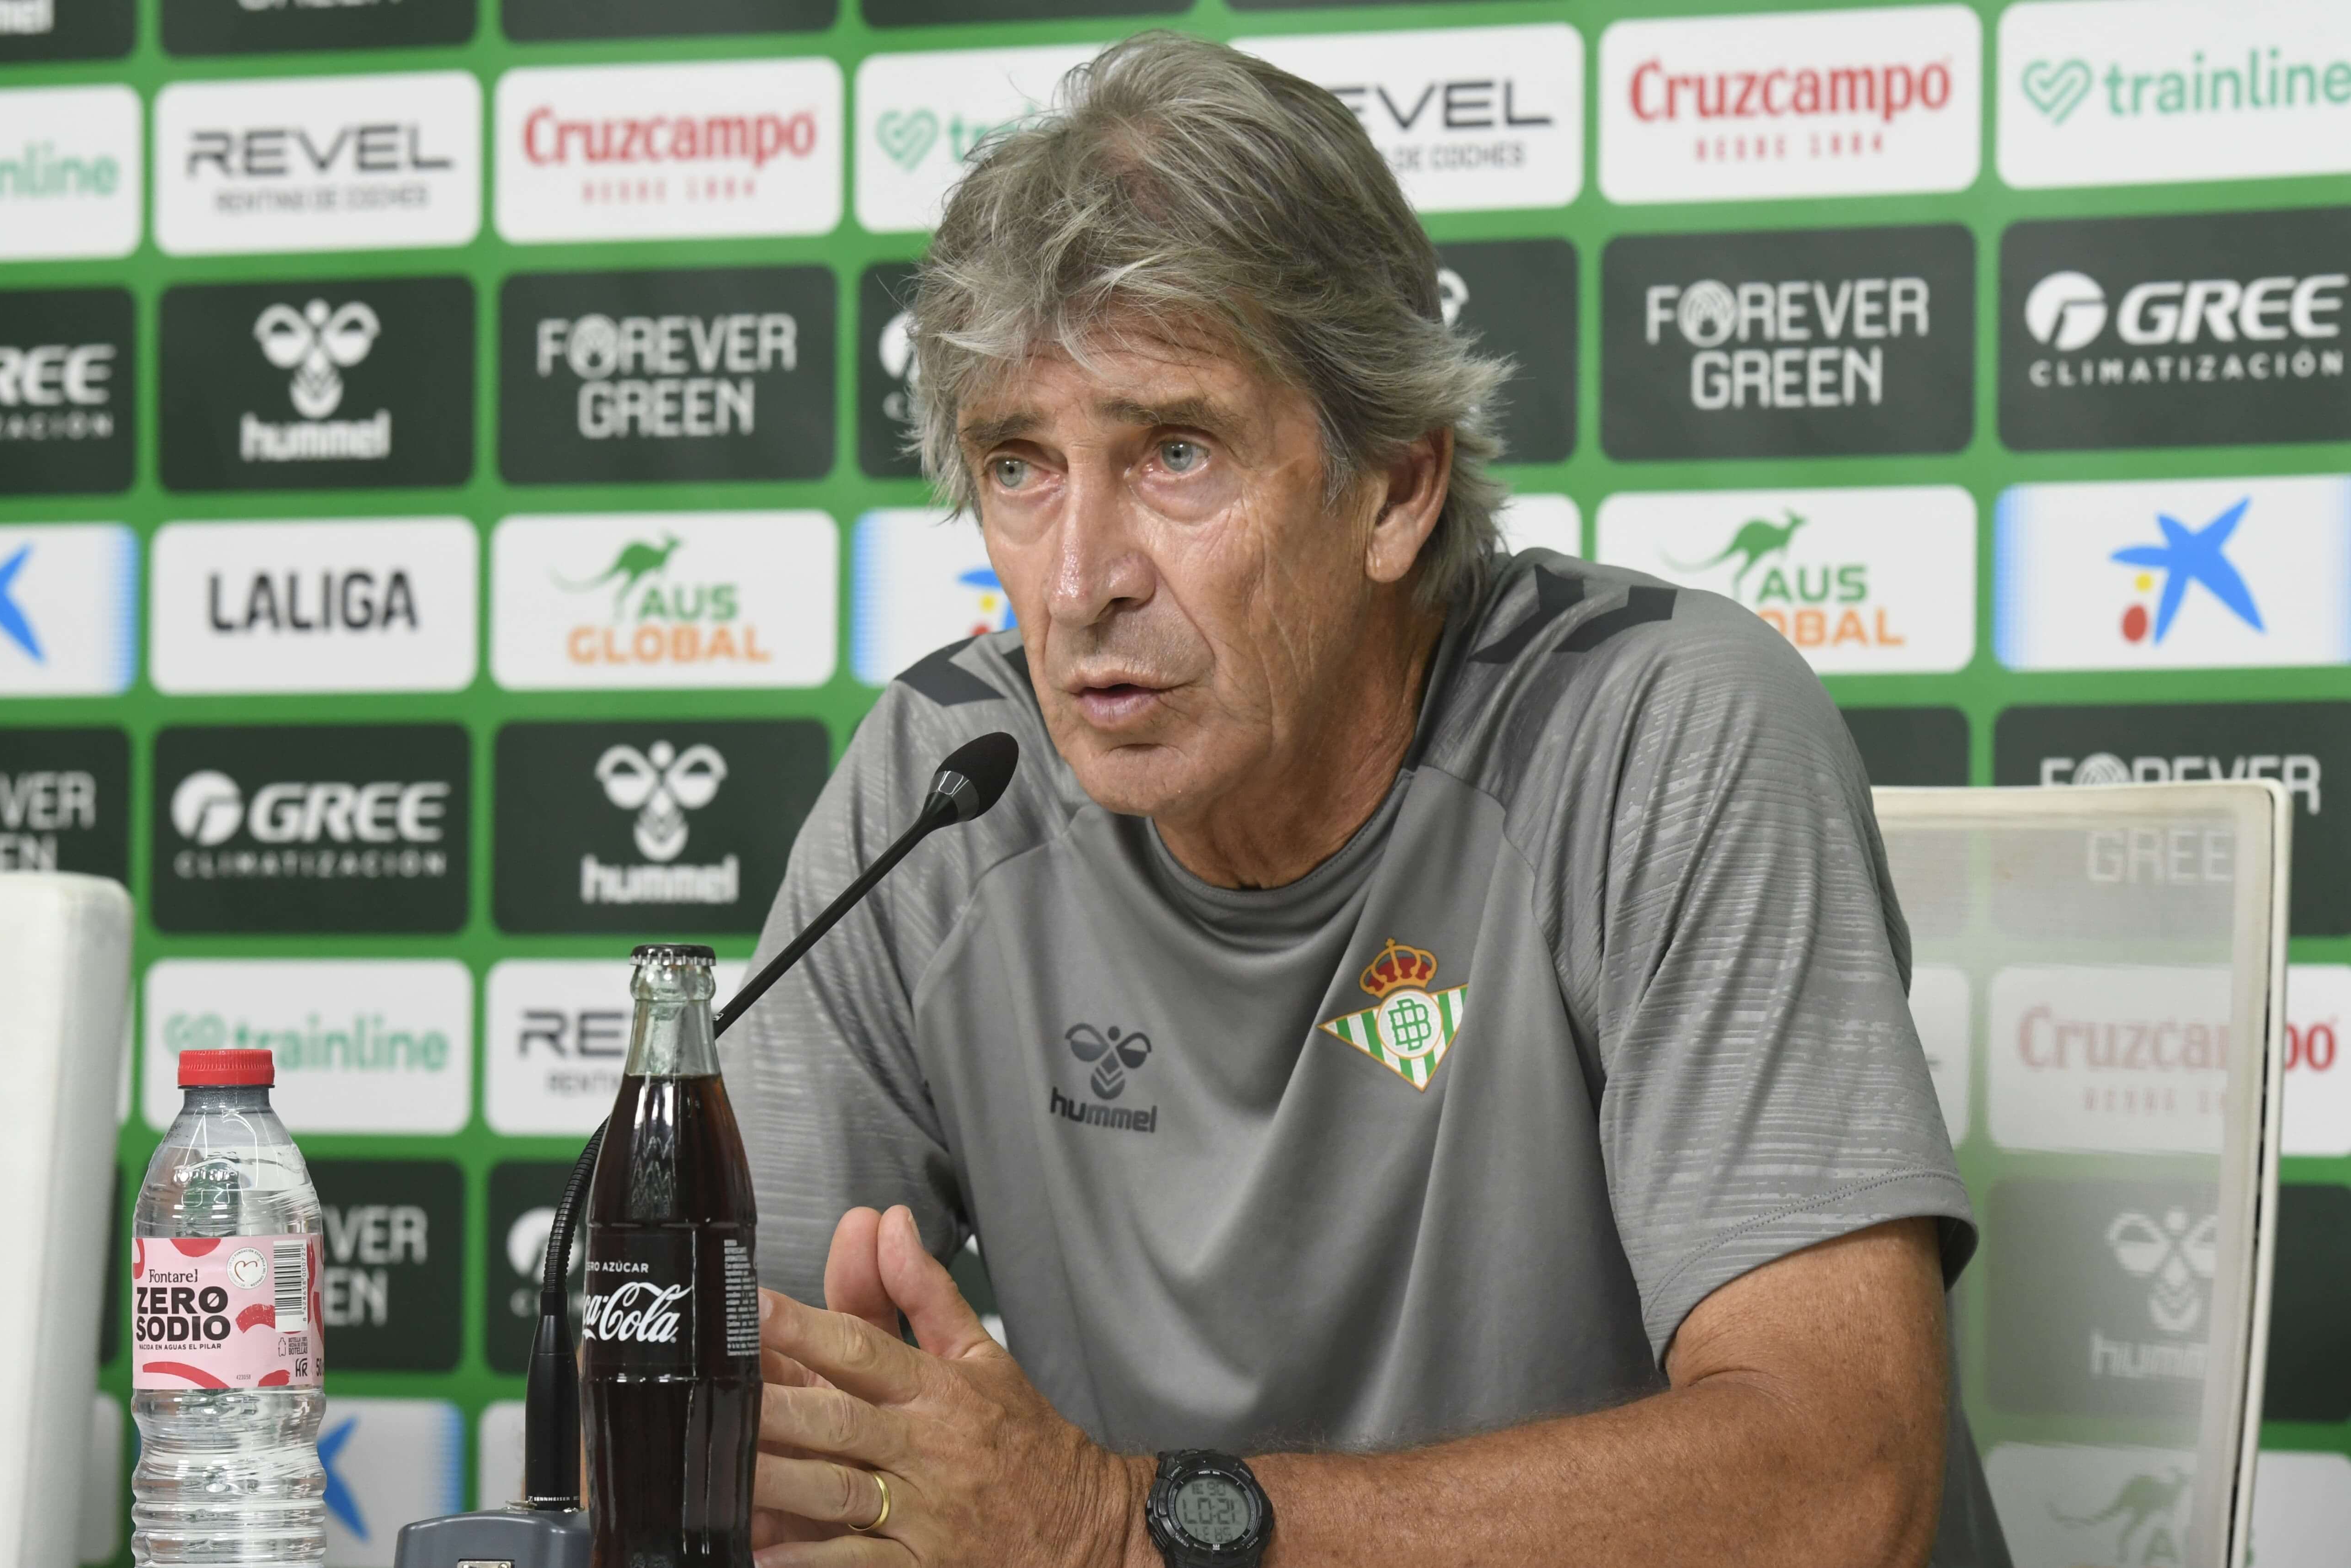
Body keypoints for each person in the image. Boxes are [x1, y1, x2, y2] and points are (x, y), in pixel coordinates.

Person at [725, 31, 2004, 1568]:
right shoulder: (947, 789)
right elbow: (715, 1412)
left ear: (1395, 487)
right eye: (1020, 467)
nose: (1077, 585)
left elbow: (1838, 1483)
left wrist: (1120, 1531)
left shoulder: (1661, 731)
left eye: (1175, 452)